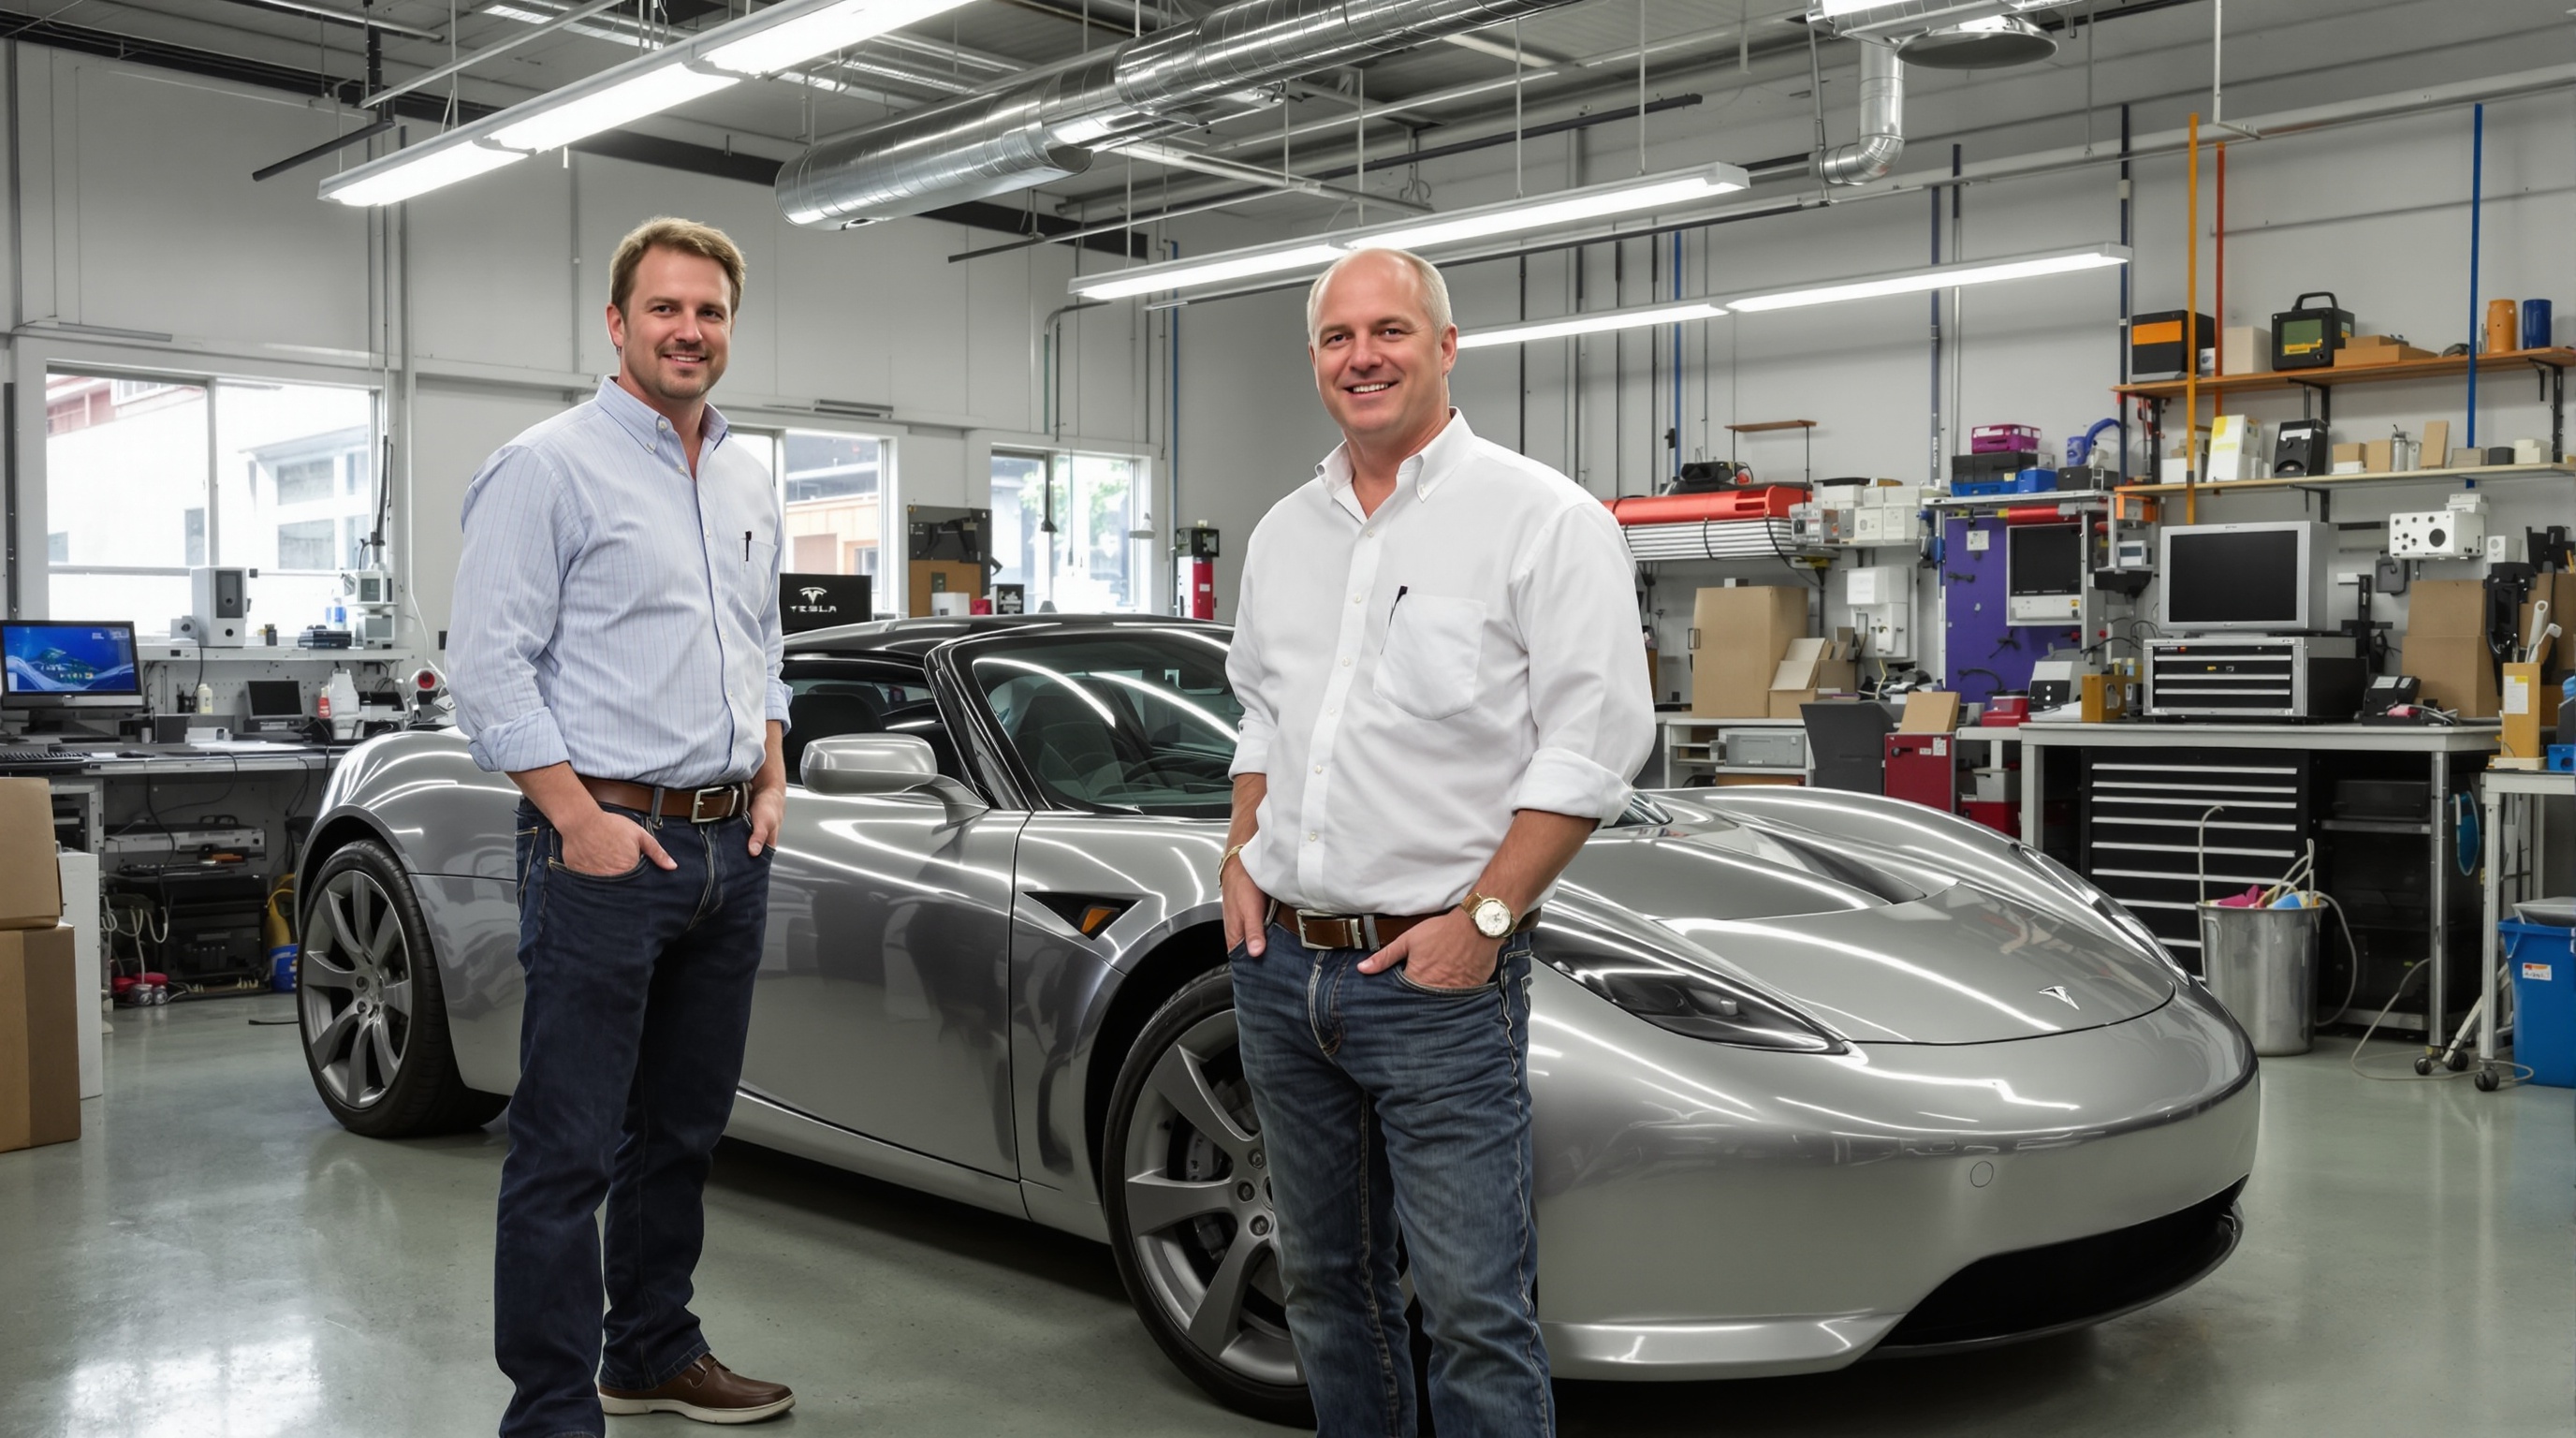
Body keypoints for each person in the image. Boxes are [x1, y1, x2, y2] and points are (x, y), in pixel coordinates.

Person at [1219, 246, 1654, 1437]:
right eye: (1336, 338)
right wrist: (1237, 858)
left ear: (1446, 346)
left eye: (1390, 331)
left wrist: (1486, 923)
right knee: (1324, 1287)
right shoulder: (1283, 533)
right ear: (1314, 360)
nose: (1362, 356)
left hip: (1437, 982)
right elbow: (1261, 708)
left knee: (1473, 1309)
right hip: (1278, 973)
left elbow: (1598, 739)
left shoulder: (1541, 519)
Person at [449, 216, 796, 1438]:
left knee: (683, 1131)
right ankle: (550, 1411)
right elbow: (486, 671)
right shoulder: (546, 467)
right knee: (566, 1149)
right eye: (665, 309)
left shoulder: (752, 477)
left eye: (709, 312)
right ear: (617, 324)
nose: (689, 330)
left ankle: (651, 1348)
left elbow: (761, 649)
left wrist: (769, 771)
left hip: (725, 853)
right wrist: (576, 821)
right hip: (606, 853)